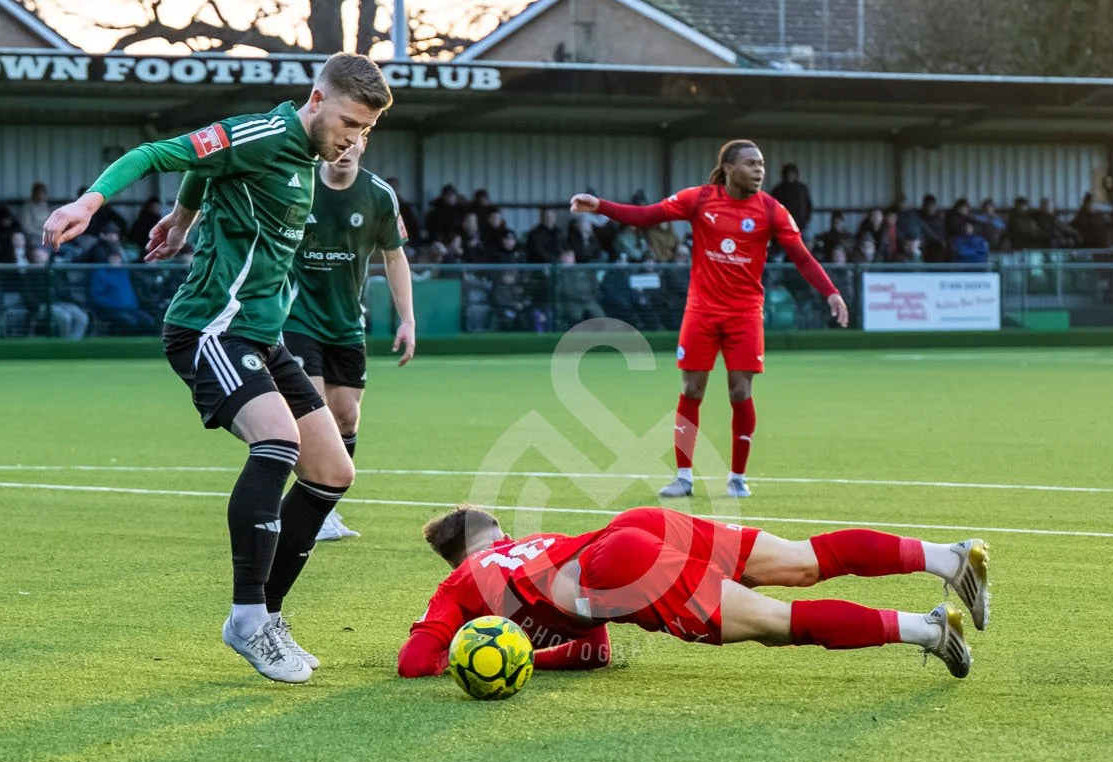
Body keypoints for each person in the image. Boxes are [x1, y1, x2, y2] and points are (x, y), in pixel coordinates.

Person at [46, 52, 394, 684]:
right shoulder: (259, 134)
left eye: (365, 132)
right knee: (278, 442)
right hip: (210, 328)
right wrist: (89, 203)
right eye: (348, 122)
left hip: (262, 337)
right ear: (316, 100)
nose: (353, 141)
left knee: (332, 471)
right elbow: (160, 153)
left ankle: (270, 617)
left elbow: (208, 175)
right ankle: (247, 617)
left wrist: (183, 218)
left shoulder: (309, 159)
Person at [397, 504, 991, 680]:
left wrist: (477, 651)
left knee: (780, 623)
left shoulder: (460, 584)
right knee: (805, 560)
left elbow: (413, 662)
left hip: (621, 568)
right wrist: (538, 653)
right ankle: (948, 556)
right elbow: (594, 650)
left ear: (461, 556)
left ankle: (929, 629)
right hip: (634, 527)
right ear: (499, 536)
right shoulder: (535, 549)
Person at [571, 140, 849, 500]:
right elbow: (647, 216)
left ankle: (737, 477)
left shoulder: (771, 210)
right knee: (692, 390)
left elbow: (802, 257)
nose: (759, 170)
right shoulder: (699, 199)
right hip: (701, 311)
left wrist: (831, 292)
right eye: (751, 164)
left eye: (761, 164)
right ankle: (683, 477)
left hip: (745, 313)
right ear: (729, 167)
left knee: (740, 390)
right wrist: (601, 207)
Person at [278, 132, 418, 542]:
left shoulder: (379, 195)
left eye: (353, 141)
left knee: (346, 417)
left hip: (346, 324)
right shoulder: (299, 184)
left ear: (364, 145)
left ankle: (325, 511)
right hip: (298, 317)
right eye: (339, 142)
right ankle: (308, 510)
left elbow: (394, 257)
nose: (345, 149)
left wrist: (406, 318)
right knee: (313, 413)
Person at [84, 225, 160, 334]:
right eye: (113, 258)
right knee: (129, 322)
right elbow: (97, 296)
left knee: (149, 321)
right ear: (108, 259)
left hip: (131, 309)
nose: (115, 260)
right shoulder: (100, 273)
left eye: (117, 258)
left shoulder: (125, 272)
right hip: (113, 310)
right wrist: (113, 306)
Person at [769, 164, 812, 235]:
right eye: (788, 174)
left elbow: (809, 206)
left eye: (792, 174)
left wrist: (805, 221)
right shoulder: (778, 190)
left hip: (801, 226)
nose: (790, 176)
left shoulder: (802, 189)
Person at [16, 182, 54, 252]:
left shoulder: (47, 207)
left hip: (50, 240)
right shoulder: (27, 207)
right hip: (34, 241)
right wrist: (43, 234)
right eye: (38, 193)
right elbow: (27, 227)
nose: (40, 195)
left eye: (43, 193)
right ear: (33, 194)